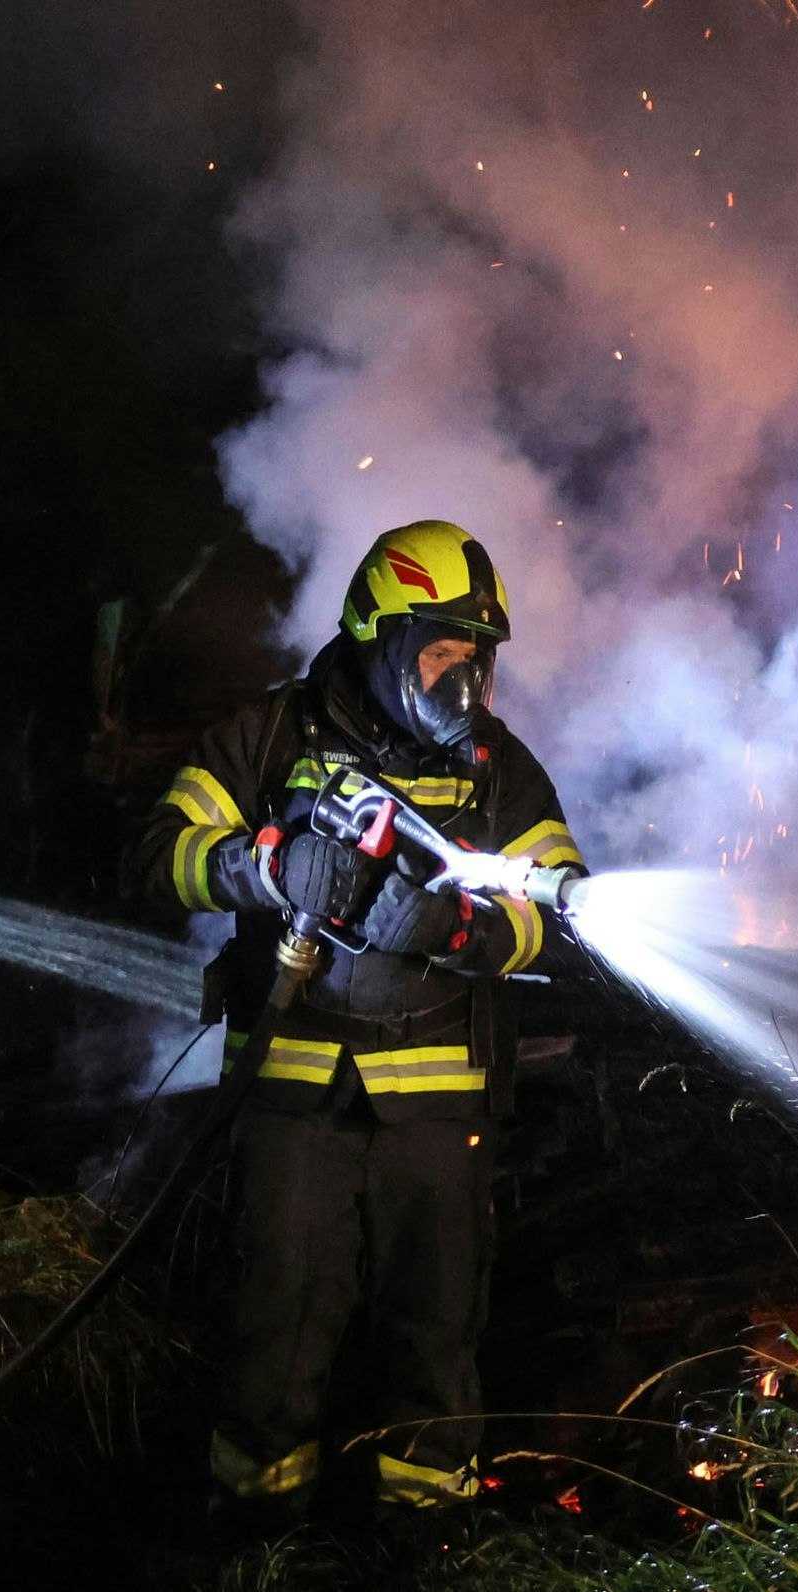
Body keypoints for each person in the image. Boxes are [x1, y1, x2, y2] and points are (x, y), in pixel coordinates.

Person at [129, 519, 581, 1521]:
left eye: (479, 657)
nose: (464, 681)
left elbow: (562, 913)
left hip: (440, 1107)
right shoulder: (269, 736)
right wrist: (269, 865)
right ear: (380, 641)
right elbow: (162, 854)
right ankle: (257, 1536)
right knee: (278, 1322)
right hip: (290, 1097)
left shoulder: (499, 768)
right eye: (441, 652)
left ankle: (425, 1551)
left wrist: (459, 925)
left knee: (435, 1330)